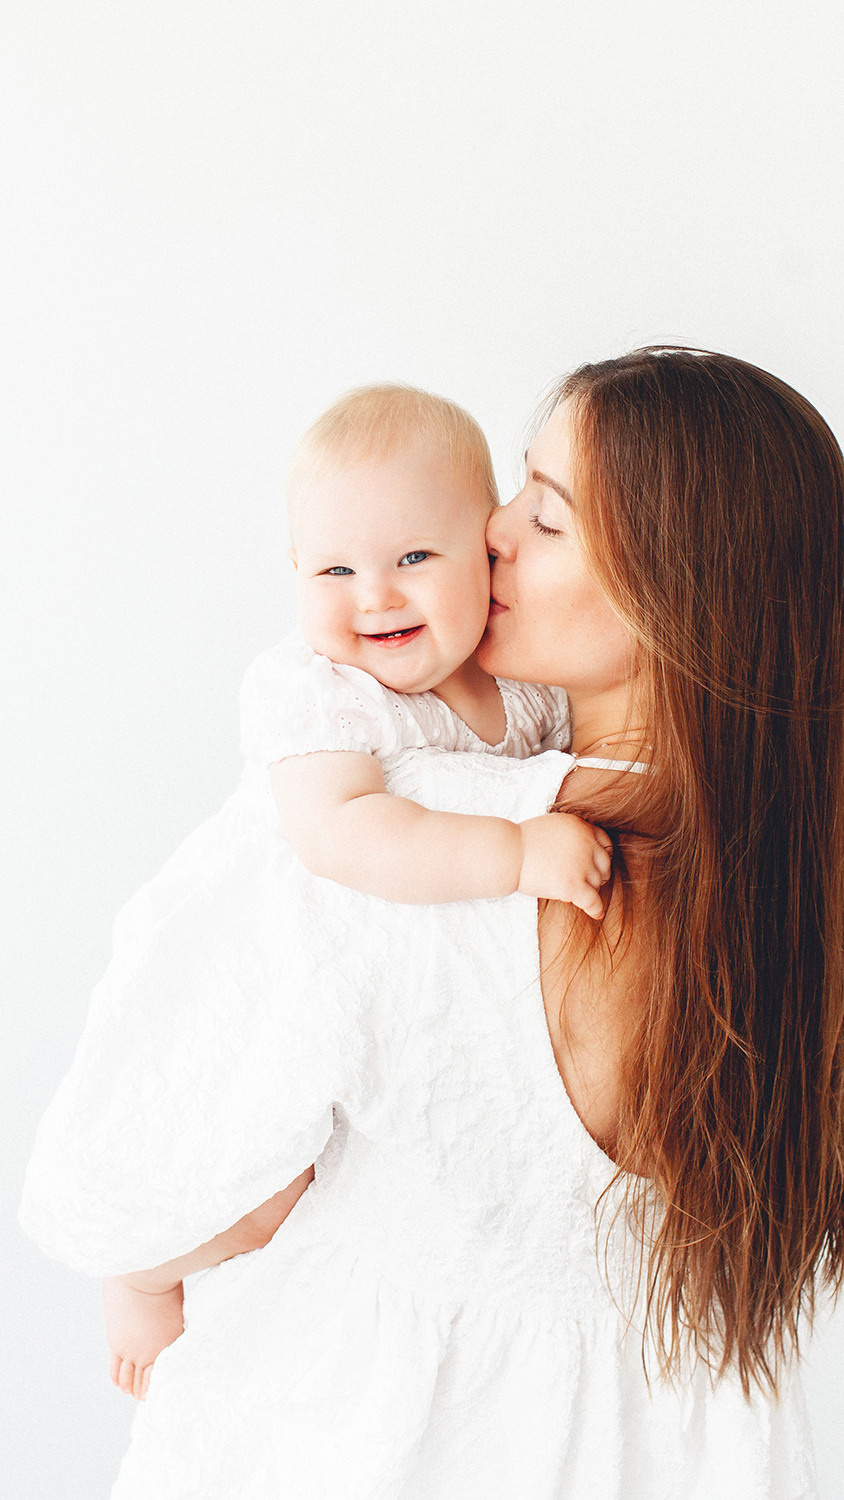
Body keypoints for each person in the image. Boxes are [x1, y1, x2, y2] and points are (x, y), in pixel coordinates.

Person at [21, 348, 842, 1498]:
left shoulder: (407, 836)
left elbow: (120, 1174)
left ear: (672, 592)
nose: (490, 532)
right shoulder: (799, 881)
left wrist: (153, 1268)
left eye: (545, 521)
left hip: (378, 1436)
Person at [22, 383, 612, 1402]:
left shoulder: (524, 690)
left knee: (328, 1190)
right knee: (256, 1184)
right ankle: (142, 1271)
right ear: (295, 571)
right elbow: (346, 835)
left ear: (484, 550)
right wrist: (518, 854)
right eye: (334, 568)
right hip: (246, 969)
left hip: (385, 1027)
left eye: (414, 559)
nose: (374, 595)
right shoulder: (316, 689)